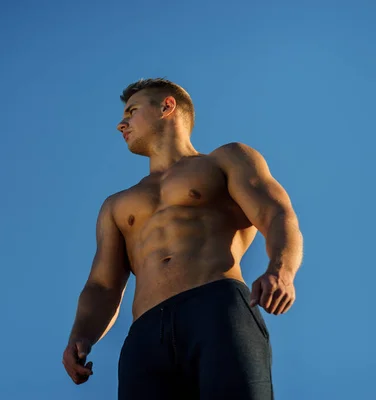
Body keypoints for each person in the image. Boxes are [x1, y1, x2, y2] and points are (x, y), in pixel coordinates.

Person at [62, 78, 303, 399]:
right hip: (146, 335)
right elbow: (102, 286)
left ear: (167, 106)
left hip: (216, 310)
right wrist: (81, 335)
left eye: (132, 111)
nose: (122, 123)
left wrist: (281, 270)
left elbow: (276, 214)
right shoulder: (116, 204)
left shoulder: (225, 159)